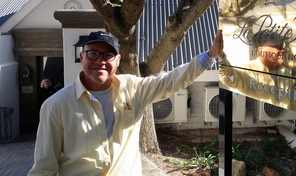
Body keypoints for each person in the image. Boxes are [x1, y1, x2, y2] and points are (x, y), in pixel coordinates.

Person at [29, 30, 223, 176]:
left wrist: (211, 55)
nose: (100, 61)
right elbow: (44, 167)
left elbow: (171, 81)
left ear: (118, 60)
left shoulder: (133, 88)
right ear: (82, 56)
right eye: (93, 53)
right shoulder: (56, 105)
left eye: (108, 55)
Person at [218, 32, 294, 108]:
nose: (282, 50)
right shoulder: (247, 71)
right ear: (261, 50)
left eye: (281, 46)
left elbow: (292, 102)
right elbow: (228, 76)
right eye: (277, 46)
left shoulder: (285, 72)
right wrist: (221, 57)